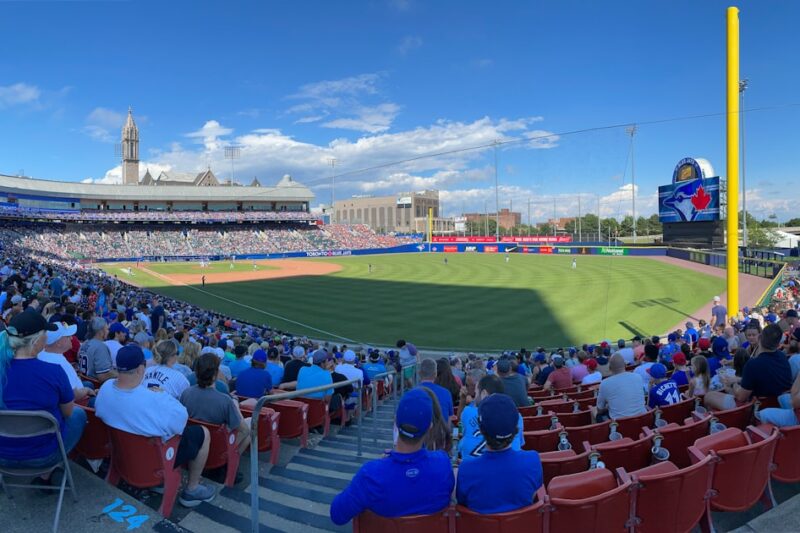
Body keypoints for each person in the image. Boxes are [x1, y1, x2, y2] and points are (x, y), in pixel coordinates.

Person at [95, 345, 216, 507]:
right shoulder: (155, 400)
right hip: (153, 463)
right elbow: (181, 421)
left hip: (122, 456)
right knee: (203, 433)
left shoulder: (105, 388)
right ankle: (192, 489)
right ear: (140, 369)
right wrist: (163, 395)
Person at [329, 388, 454, 525]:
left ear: (395, 421)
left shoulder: (371, 475)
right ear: (430, 427)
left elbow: (337, 515)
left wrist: (384, 465)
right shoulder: (443, 465)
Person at [0, 309, 87, 481]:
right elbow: (68, 413)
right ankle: (46, 475)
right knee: (78, 414)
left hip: (2, 455)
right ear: (36, 340)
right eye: (45, 333)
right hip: (41, 457)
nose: (47, 337)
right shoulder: (53, 372)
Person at [457, 393, 543, 514]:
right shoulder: (532, 460)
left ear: (481, 430)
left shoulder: (466, 469)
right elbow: (533, 495)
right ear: (516, 428)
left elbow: (463, 503)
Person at [704, 324, 792, 411]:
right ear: (778, 343)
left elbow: (740, 397)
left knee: (709, 396)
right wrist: (738, 380)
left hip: (755, 408)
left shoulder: (753, 364)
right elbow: (766, 378)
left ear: (760, 337)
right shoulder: (783, 357)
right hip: (779, 405)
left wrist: (732, 383)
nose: (751, 337)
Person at [181, 354, 251, 456]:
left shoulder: (186, 393)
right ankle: (230, 458)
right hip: (217, 451)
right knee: (249, 427)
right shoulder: (224, 400)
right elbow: (244, 430)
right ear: (216, 373)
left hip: (193, 445)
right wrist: (227, 451)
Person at [459, 374, 524, 461]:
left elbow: (459, 419)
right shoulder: (517, 417)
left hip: (473, 466)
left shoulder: (468, 412)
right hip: (508, 465)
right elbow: (519, 446)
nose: (475, 396)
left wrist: (463, 400)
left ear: (484, 394)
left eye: (477, 392)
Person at [38, 321, 95, 404]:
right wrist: (87, 390)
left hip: (62, 396)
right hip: (76, 403)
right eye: (68, 336)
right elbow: (73, 395)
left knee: (89, 384)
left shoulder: (41, 353)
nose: (72, 338)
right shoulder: (59, 363)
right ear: (58, 343)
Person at [593, 354, 646, 421]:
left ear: (610, 368)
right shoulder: (638, 377)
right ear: (625, 365)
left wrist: (608, 407)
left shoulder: (605, 383)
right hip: (643, 419)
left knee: (595, 412)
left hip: (619, 426)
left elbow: (599, 410)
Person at [78, 317, 116, 383]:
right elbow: (103, 376)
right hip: (95, 386)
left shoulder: (85, 343)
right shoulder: (100, 347)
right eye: (107, 329)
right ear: (101, 332)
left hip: (84, 381)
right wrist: (120, 374)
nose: (108, 331)